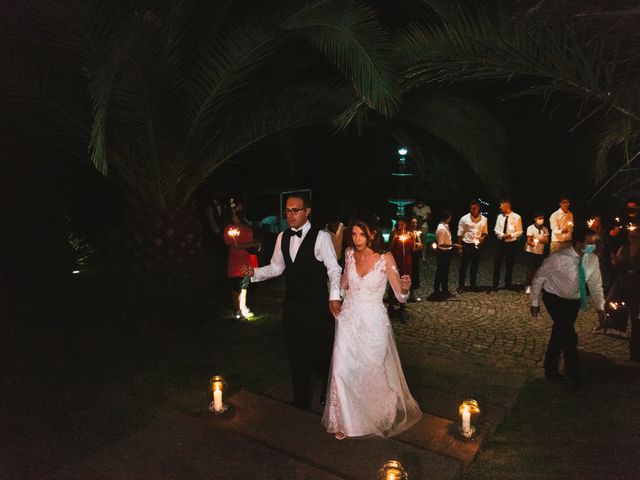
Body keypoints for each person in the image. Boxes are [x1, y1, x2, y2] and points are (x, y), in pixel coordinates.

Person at [322, 216, 422, 439]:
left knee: (370, 371)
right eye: (354, 234)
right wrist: (333, 294)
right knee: (341, 370)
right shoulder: (349, 254)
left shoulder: (385, 258)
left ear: (373, 235)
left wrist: (405, 287)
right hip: (348, 320)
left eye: (362, 235)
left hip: (374, 322)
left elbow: (400, 297)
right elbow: (343, 283)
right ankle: (345, 421)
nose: (357, 239)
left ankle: (374, 415)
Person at [241, 194, 342, 410]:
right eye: (287, 210)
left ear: (307, 211)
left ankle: (328, 389)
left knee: (320, 350)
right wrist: (254, 272)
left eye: (295, 210)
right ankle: (301, 397)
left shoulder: (321, 237)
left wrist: (334, 297)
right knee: (295, 350)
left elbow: (333, 269)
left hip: (316, 304)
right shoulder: (282, 237)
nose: (290, 215)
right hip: (292, 303)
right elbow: (277, 267)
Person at [530, 227, 605, 387]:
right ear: (578, 243)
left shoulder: (592, 260)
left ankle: (550, 368)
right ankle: (574, 373)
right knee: (569, 334)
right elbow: (539, 277)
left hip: (573, 302)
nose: (594, 246)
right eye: (590, 242)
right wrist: (534, 302)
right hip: (554, 298)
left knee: (560, 331)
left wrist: (600, 307)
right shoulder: (558, 258)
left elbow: (595, 283)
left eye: (594, 242)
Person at [598, 226, 640, 361]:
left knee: (636, 320)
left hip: (637, 288)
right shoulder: (625, 248)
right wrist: (613, 260)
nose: (631, 238)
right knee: (618, 312)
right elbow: (616, 264)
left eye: (634, 236)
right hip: (623, 285)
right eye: (630, 236)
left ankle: (635, 352)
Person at [223, 200, 260, 320]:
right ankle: (237, 310)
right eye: (233, 208)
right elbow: (235, 245)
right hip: (236, 260)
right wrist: (251, 243)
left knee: (244, 285)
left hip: (247, 258)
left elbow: (250, 238)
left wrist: (255, 244)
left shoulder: (245, 224)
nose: (236, 209)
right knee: (236, 286)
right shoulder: (230, 228)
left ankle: (243, 306)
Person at [457, 200, 488, 293]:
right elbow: (460, 234)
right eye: (470, 208)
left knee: (475, 266)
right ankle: (461, 285)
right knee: (463, 266)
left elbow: (485, 233)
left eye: (474, 208)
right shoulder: (464, 219)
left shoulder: (484, 219)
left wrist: (482, 238)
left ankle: (473, 285)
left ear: (478, 208)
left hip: (477, 245)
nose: (471, 209)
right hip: (466, 244)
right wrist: (460, 247)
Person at [492, 199, 523, 291]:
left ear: (507, 206)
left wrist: (512, 235)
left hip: (511, 243)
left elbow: (520, 231)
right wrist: (502, 235)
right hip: (501, 242)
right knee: (497, 263)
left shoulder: (517, 217)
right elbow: (496, 229)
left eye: (501, 206)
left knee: (509, 264)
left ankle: (508, 283)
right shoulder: (499, 217)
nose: (500, 207)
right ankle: (495, 284)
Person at [430, 210, 460, 300]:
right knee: (440, 272)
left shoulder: (445, 225)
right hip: (443, 253)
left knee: (445, 272)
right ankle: (437, 291)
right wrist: (453, 245)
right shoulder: (442, 229)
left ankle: (444, 290)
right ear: (448, 218)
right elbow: (441, 244)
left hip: (447, 252)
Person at [388, 218, 415, 315]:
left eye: (402, 224)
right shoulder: (394, 233)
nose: (400, 226)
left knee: (405, 280)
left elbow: (413, 248)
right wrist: (394, 239)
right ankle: (391, 302)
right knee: (395, 279)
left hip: (406, 260)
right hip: (396, 259)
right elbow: (389, 248)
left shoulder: (409, 234)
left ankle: (402, 303)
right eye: (399, 224)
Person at [524, 213, 549, 294]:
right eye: (539, 218)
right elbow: (529, 240)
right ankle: (528, 286)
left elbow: (546, 240)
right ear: (535, 219)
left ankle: (536, 285)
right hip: (530, 251)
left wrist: (539, 240)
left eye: (542, 218)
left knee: (538, 270)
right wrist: (532, 243)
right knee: (530, 269)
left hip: (540, 252)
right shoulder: (530, 228)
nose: (541, 220)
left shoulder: (545, 229)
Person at [408, 216, 423, 301]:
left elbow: (420, 244)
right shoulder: (407, 233)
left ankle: (412, 293)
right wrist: (417, 246)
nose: (415, 224)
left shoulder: (416, 232)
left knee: (415, 274)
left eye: (416, 223)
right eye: (413, 223)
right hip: (409, 256)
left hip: (415, 257)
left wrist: (419, 245)